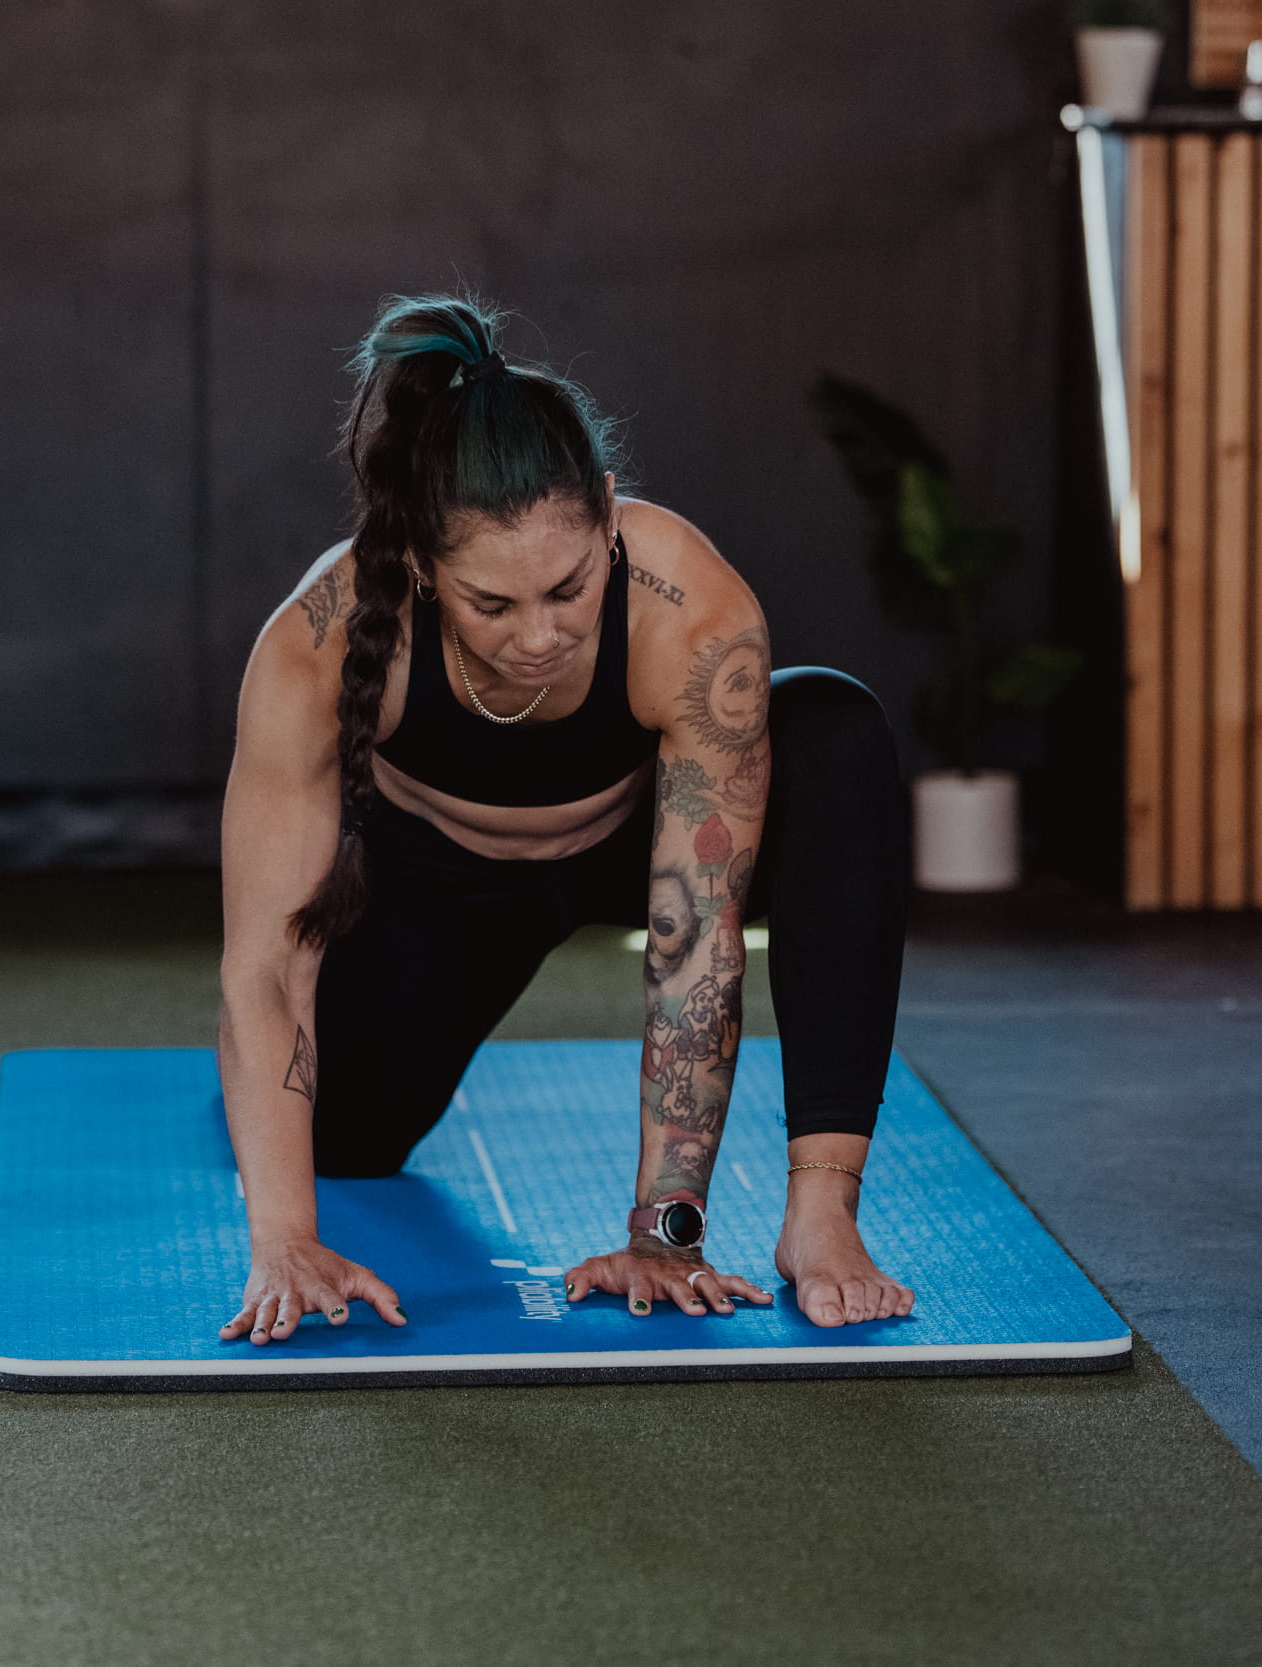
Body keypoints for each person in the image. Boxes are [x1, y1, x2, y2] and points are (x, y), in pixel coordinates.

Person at [215, 294, 914, 1346]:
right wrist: (284, 1236)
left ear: (606, 507)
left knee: (836, 732)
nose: (538, 634)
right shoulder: (314, 638)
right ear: (419, 564)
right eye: (491, 605)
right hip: (437, 887)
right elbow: (269, 961)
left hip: (631, 849)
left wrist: (664, 1233)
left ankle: (821, 1215)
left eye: (568, 586)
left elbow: (695, 939)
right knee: (349, 1144)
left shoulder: (690, 605)